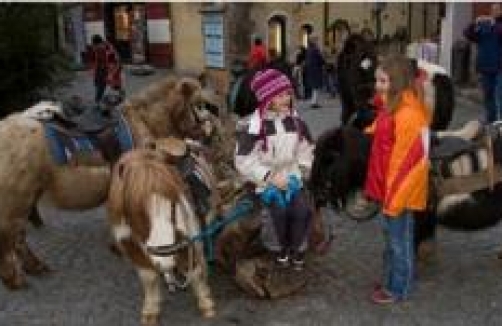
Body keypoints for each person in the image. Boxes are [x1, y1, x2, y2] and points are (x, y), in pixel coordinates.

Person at [364, 54, 431, 304]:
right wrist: (364, 134)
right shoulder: (393, 106)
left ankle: (398, 289)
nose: (377, 85)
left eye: (383, 80)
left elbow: (408, 164)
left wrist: (394, 199)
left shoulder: (409, 115)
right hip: (391, 189)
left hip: (399, 192)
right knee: (393, 240)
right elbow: (383, 131)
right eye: (377, 80)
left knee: (399, 242)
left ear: (398, 81)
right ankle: (392, 278)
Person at [234, 68, 314, 270]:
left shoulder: (296, 122)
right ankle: (278, 250)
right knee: (278, 212)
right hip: (264, 182)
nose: (286, 99)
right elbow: (243, 160)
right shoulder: (252, 127)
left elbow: (306, 149)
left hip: (291, 178)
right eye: (280, 95)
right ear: (267, 98)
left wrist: (302, 171)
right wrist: (268, 177)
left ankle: (297, 249)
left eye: (287, 93)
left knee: (302, 210)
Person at [464, 4, 502, 123]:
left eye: (497, 9)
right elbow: (468, 34)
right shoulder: (484, 25)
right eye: (492, 10)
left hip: (500, 68)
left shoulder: (497, 25)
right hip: (486, 67)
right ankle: (492, 122)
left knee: (500, 97)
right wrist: (474, 23)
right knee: (488, 96)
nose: (494, 12)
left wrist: (494, 24)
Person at [89, 34, 123, 104]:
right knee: (100, 84)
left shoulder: (107, 50)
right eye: (93, 45)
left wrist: (111, 74)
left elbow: (115, 63)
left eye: (94, 45)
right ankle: (98, 100)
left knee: (115, 85)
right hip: (104, 68)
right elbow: (98, 61)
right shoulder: (99, 48)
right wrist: (95, 71)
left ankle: (119, 98)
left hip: (113, 67)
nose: (93, 47)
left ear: (97, 43)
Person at [304, 35, 325, 108]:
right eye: (316, 40)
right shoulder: (315, 49)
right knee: (316, 86)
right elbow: (320, 59)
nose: (317, 41)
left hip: (311, 69)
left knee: (314, 86)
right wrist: (323, 62)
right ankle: (314, 102)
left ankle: (313, 101)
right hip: (316, 69)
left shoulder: (309, 49)